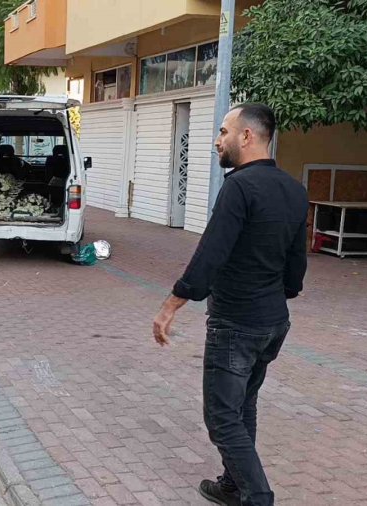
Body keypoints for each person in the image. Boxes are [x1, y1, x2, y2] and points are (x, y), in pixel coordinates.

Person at [152, 104, 308, 506]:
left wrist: (171, 304)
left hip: (236, 323)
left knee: (221, 419)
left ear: (247, 137)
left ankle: (257, 496)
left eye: (223, 131)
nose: (217, 141)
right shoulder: (294, 189)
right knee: (243, 406)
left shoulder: (239, 187)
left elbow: (210, 254)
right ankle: (233, 485)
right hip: (273, 322)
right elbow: (296, 266)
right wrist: (278, 295)